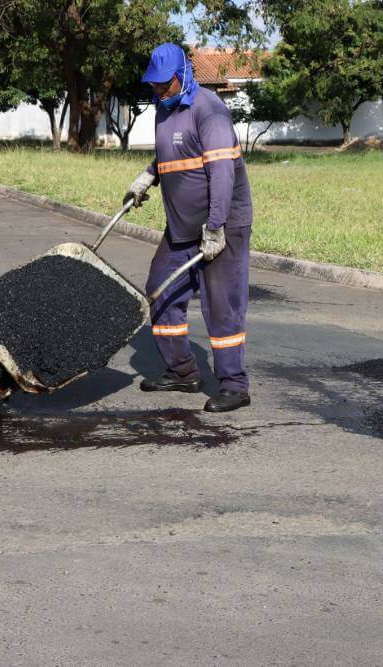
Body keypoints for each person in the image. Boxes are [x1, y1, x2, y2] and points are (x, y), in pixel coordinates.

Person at [125, 43, 254, 413]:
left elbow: (222, 172)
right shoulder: (164, 110)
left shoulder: (209, 110)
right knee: (160, 291)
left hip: (222, 222)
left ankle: (234, 384)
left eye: (164, 84)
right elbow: (171, 154)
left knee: (221, 303)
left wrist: (215, 228)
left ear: (183, 76)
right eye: (154, 84)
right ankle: (182, 371)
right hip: (182, 223)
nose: (158, 90)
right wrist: (146, 177)